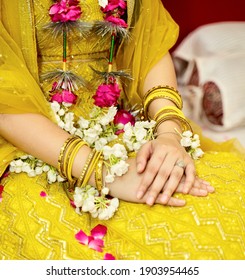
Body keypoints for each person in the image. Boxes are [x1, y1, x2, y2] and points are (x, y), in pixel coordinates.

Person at [0, 0, 244, 260]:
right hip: (34, 147)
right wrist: (106, 174)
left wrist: (169, 134)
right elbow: (6, 99)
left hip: (125, 129)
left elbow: (149, 46)